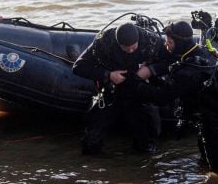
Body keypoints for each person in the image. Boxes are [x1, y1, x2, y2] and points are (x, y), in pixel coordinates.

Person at [121, 21, 218, 174]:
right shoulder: (201, 52)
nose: (166, 46)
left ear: (180, 43)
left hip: (216, 126)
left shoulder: (189, 70)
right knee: (208, 164)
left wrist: (136, 85)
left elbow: (163, 97)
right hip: (211, 120)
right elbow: (171, 87)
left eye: (169, 42)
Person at [72, 22, 169, 155]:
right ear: (118, 43)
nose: (130, 51)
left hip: (140, 90)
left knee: (148, 140)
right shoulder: (103, 43)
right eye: (126, 48)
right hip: (112, 91)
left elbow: (169, 61)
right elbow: (78, 67)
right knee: (91, 140)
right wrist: (109, 75)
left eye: (133, 47)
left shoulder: (151, 41)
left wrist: (150, 70)